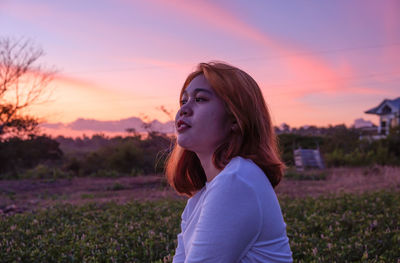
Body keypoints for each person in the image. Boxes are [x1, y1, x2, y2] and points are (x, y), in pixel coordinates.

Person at [165, 61, 293, 262]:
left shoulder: (238, 180)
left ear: (235, 118)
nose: (184, 110)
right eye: (183, 102)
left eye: (199, 99)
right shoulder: (198, 200)